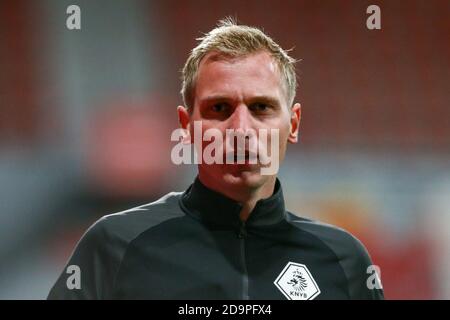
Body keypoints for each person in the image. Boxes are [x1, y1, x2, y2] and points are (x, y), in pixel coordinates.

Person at [48, 18, 384, 300]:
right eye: (219, 109)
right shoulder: (115, 246)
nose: (240, 128)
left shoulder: (343, 262)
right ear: (186, 126)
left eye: (261, 107)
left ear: (292, 124)